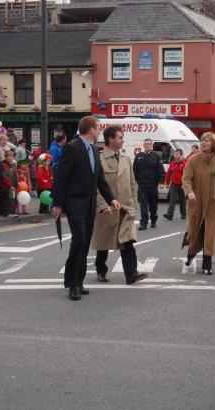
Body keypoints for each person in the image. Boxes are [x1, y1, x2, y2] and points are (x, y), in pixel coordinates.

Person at [52, 116, 120, 301]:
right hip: (74, 203)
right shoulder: (71, 148)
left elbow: (99, 181)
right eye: (98, 128)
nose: (100, 131)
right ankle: (72, 283)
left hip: (89, 205)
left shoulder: (94, 150)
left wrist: (111, 199)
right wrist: (57, 204)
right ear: (90, 129)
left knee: (84, 244)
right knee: (79, 241)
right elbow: (61, 177)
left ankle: (79, 281)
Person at [91, 125, 147, 285]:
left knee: (127, 241)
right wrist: (102, 205)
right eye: (120, 137)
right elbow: (96, 186)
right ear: (110, 139)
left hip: (125, 207)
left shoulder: (126, 158)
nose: (123, 140)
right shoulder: (99, 158)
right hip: (107, 209)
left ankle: (131, 274)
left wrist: (133, 205)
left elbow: (132, 183)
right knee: (104, 243)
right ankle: (101, 269)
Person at [182, 132, 215, 275]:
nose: (204, 143)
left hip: (213, 203)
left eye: (207, 141)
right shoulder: (193, 159)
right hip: (196, 202)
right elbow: (186, 179)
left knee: (209, 234)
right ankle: (191, 254)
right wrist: (189, 192)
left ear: (213, 143)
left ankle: (207, 264)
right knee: (195, 233)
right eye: (202, 141)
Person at [133, 138, 165, 230]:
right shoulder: (139, 156)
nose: (146, 145)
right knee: (143, 204)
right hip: (142, 185)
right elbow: (135, 170)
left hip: (153, 185)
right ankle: (144, 222)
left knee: (153, 204)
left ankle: (153, 219)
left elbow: (161, 170)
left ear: (151, 146)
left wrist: (162, 182)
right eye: (145, 144)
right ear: (143, 146)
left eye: (148, 144)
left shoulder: (156, 156)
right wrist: (135, 181)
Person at [163, 148, 186, 220]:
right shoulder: (172, 163)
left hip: (182, 185)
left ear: (181, 155)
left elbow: (186, 175)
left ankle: (183, 214)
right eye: (175, 154)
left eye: (178, 154)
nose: (176, 156)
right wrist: (167, 183)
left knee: (182, 200)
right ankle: (170, 214)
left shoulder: (184, 163)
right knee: (172, 199)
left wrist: (184, 184)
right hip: (173, 184)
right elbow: (169, 173)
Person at [0, 150, 17, 218]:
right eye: (10, 156)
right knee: (7, 199)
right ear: (6, 157)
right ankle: (6, 212)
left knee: (12, 199)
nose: (12, 157)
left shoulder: (12, 165)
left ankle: (11, 211)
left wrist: (16, 184)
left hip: (12, 185)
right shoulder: (3, 164)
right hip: (6, 186)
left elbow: (14, 175)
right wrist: (10, 185)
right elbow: (4, 176)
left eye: (13, 156)